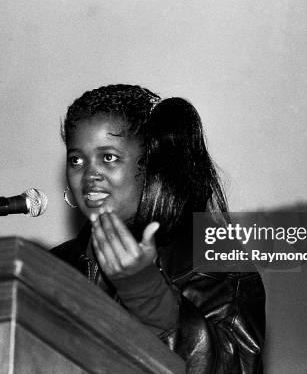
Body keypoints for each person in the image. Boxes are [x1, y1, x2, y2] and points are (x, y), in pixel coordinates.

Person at [51, 84, 265, 373]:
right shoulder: (52, 266)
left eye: (108, 157)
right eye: (76, 159)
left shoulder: (212, 255)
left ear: (150, 165)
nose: (90, 174)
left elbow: (237, 365)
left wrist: (148, 295)